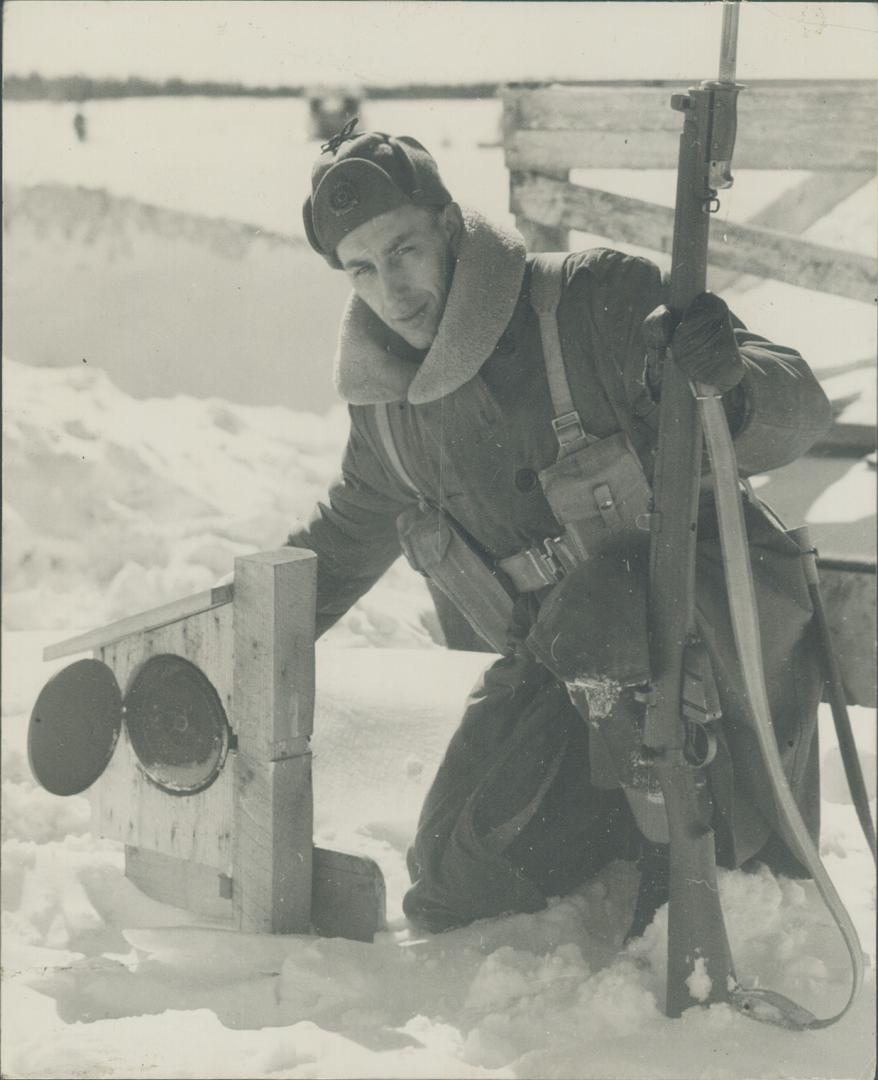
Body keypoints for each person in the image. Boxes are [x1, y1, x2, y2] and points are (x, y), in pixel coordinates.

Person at [288, 127, 833, 935]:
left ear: (448, 228)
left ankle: (698, 885)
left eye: (402, 251)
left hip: (728, 655)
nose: (391, 291)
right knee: (454, 875)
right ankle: (624, 835)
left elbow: (802, 412)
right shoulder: (390, 420)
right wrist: (227, 632)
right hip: (582, 680)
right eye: (362, 270)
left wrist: (730, 377)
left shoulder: (591, 303)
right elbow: (332, 552)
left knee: (605, 601)